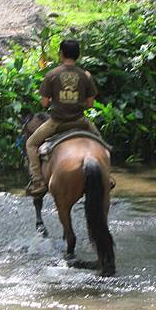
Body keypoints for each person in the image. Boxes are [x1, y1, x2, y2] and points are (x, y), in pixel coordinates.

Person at [25, 39, 102, 197]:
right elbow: (90, 104)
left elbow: (45, 103)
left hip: (57, 123)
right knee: (102, 144)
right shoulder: (85, 75)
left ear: (61, 54)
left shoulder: (52, 75)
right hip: (81, 122)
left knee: (31, 144)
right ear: (78, 56)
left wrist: (57, 100)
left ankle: (38, 180)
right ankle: (106, 177)